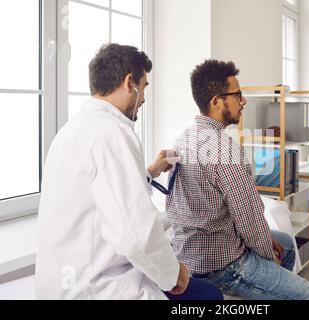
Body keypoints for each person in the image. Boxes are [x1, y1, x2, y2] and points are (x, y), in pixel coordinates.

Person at [35, 44, 223, 300]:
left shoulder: (72, 130)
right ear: (129, 83)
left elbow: (103, 195)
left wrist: (151, 172)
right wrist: (173, 273)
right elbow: (136, 234)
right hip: (97, 286)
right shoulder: (114, 133)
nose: (144, 98)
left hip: (61, 280)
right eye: (144, 86)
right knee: (208, 296)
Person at [166, 59, 309, 300]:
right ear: (216, 102)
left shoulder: (183, 139)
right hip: (222, 265)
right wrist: (267, 258)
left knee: (287, 243)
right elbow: (249, 219)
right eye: (237, 95)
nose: (244, 101)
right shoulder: (224, 149)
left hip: (187, 254)